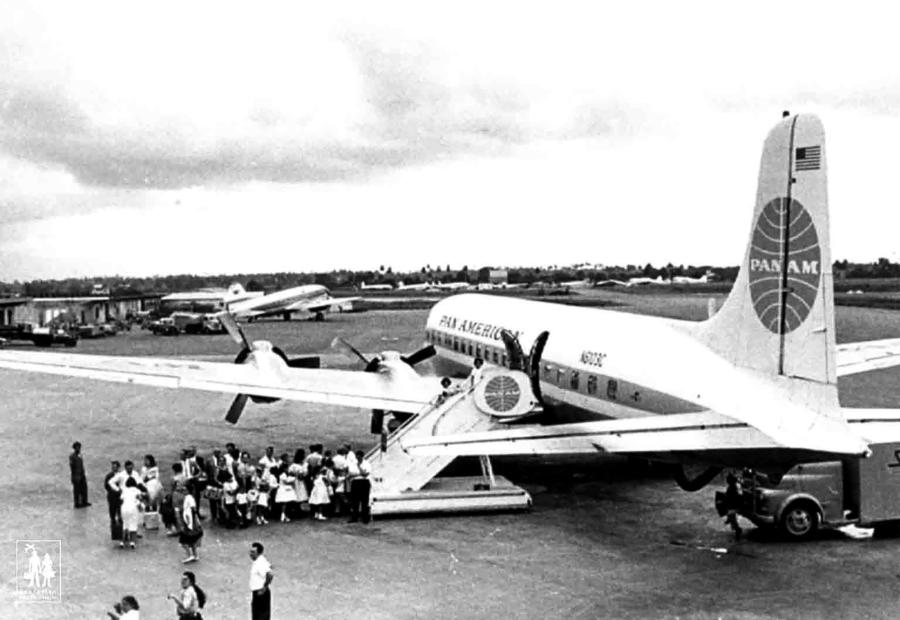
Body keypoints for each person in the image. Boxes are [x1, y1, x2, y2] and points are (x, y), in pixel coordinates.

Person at [248, 542, 273, 620]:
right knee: (256, 616)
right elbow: (269, 567)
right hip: (257, 592)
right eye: (250, 551)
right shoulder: (259, 561)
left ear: (259, 553)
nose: (250, 554)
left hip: (261, 593)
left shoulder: (260, 562)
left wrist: (264, 587)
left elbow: (270, 574)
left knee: (261, 616)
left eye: (253, 552)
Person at [180, 482, 203, 562]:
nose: (183, 490)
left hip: (190, 522)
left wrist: (191, 522)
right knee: (192, 540)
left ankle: (189, 555)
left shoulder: (189, 498)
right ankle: (195, 554)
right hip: (189, 521)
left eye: (184, 489)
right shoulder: (187, 497)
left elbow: (193, 509)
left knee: (183, 541)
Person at [348, 450, 372, 524]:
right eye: (357, 456)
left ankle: (365, 518)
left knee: (365, 501)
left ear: (362, 456)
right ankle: (354, 517)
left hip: (364, 482)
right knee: (355, 501)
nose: (358, 458)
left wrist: (359, 468)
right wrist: (360, 473)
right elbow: (351, 474)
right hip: (355, 482)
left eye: (359, 456)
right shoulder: (352, 464)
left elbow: (366, 474)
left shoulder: (367, 463)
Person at [119, 478, 143, 549]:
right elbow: (139, 499)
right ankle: (132, 542)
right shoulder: (137, 491)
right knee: (133, 524)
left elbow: (121, 499)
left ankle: (122, 542)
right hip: (133, 508)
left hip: (124, 508)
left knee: (125, 524)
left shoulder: (124, 490)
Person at [104, 461, 123, 539]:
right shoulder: (109, 476)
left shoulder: (121, 475)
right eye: (112, 467)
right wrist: (113, 491)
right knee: (112, 514)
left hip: (119, 497)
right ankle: (114, 533)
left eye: (115, 467)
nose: (113, 468)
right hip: (112, 497)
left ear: (118, 467)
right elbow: (106, 486)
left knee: (120, 514)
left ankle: (121, 531)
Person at [69, 441, 90, 508]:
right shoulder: (72, 456)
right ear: (74, 448)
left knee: (84, 488)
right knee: (77, 490)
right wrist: (74, 476)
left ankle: (84, 501)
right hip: (76, 476)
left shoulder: (80, 455)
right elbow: (72, 467)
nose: (79, 449)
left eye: (79, 447)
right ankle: (77, 503)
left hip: (81, 474)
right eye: (77, 447)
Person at [724, 473, 743, 540]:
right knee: (730, 516)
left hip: (733, 505)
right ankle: (735, 527)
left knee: (732, 517)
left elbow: (737, 497)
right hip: (731, 505)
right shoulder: (732, 487)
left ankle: (738, 529)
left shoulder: (734, 487)